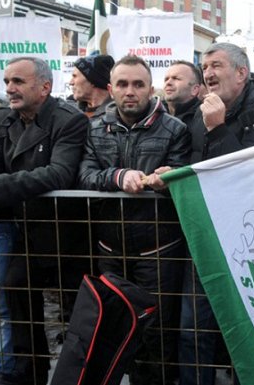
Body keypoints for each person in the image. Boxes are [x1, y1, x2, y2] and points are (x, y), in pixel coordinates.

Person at [78, 55, 191, 385]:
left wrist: (170, 178)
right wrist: (117, 176)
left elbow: (183, 176)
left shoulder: (175, 129)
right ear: (111, 89)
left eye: (138, 84)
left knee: (157, 333)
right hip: (110, 248)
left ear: (150, 88)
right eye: (124, 84)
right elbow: (84, 174)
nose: (131, 91)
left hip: (158, 249)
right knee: (113, 327)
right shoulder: (96, 127)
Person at [179, 42, 254, 385]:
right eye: (204, 66)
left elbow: (252, 176)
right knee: (194, 329)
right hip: (207, 234)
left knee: (249, 329)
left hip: (249, 240)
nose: (207, 73)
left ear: (241, 73)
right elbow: (197, 165)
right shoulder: (201, 112)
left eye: (216, 65)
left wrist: (219, 128)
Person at [0, 57, 88, 385]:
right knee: (14, 290)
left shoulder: (68, 120)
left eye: (18, 81)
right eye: (7, 82)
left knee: (78, 315)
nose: (10, 89)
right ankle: (26, 373)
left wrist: (2, 187)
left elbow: (59, 173)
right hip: (29, 232)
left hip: (70, 236)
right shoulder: (3, 121)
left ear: (45, 87)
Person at [70, 54, 115, 118]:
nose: (70, 82)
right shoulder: (71, 112)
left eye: (75, 76)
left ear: (93, 80)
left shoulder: (118, 116)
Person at [163, 60, 203, 124]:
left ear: (194, 89)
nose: (168, 83)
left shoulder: (205, 118)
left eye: (176, 78)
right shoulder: (154, 115)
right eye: (166, 79)